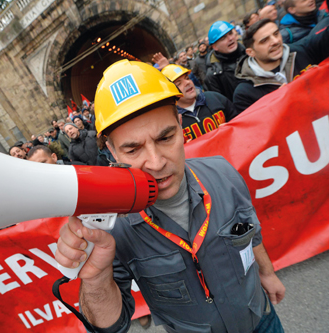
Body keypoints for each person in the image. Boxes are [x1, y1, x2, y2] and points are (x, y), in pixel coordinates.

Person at [55, 60, 285, 332]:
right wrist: (95, 279)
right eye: (133, 149)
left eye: (165, 137)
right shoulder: (112, 228)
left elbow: (249, 230)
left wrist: (267, 274)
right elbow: (110, 327)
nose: (155, 162)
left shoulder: (223, 172)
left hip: (262, 318)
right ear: (112, 152)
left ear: (180, 125)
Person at [233, 1, 329, 113]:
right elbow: (256, 128)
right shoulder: (244, 93)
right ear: (251, 52)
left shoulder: (303, 50)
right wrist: (279, 102)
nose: (275, 41)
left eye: (276, 34)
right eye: (264, 40)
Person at [162, 64, 238, 142]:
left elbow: (239, 122)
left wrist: (231, 127)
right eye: (179, 84)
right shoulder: (170, 120)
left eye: (187, 78)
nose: (187, 83)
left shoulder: (215, 98)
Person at [204, 21, 246, 101]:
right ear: (215, 47)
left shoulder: (250, 51)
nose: (230, 39)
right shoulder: (213, 76)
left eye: (230, 33)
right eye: (223, 38)